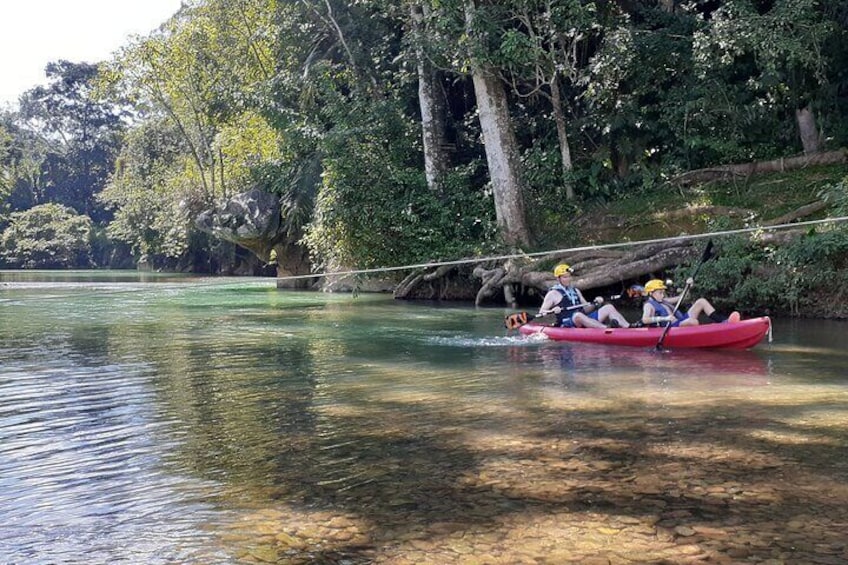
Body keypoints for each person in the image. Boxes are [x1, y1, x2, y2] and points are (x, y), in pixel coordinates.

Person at [538, 264, 631, 328]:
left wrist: (596, 303)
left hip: (584, 319)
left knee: (609, 307)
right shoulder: (552, 294)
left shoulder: (576, 291)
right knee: (577, 315)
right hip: (568, 323)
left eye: (569, 276)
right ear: (558, 279)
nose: (568, 279)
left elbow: (585, 308)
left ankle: (628, 327)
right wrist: (553, 310)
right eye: (565, 277)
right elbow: (542, 312)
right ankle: (606, 328)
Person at [641, 278, 740, 327]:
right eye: (660, 293)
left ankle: (724, 322)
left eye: (663, 292)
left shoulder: (663, 300)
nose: (663, 295)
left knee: (701, 301)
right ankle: (704, 335)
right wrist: (665, 318)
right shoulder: (649, 305)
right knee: (693, 321)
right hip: (670, 327)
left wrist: (688, 286)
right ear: (651, 293)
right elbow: (645, 320)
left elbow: (684, 297)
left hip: (679, 321)